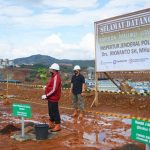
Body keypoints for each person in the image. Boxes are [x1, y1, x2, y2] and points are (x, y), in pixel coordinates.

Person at [41, 63, 61, 132]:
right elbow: (51, 85)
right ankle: (52, 124)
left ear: (54, 70)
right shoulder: (53, 76)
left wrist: (46, 95)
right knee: (51, 111)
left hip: (54, 98)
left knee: (55, 112)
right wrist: (46, 87)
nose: (50, 70)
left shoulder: (56, 77)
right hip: (51, 98)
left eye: (51, 69)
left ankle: (57, 125)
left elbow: (54, 89)